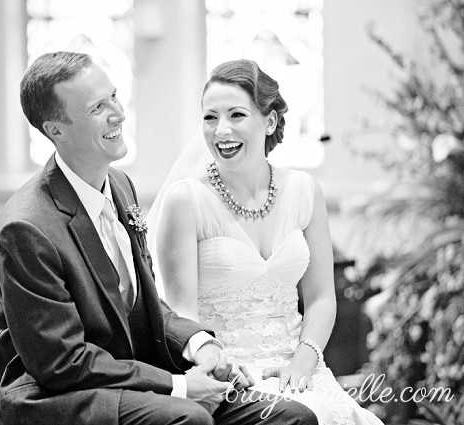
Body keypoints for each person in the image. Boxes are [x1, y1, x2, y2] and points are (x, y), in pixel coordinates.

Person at [0, 51, 318, 425]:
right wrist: (177, 386)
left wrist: (201, 345)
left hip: (133, 379)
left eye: (113, 96)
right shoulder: (26, 229)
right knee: (189, 418)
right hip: (58, 397)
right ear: (55, 130)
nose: (118, 113)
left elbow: (146, 305)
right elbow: (62, 364)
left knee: (292, 418)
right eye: (98, 108)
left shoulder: (120, 187)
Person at [148, 59, 383, 425]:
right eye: (210, 118)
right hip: (230, 377)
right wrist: (220, 364)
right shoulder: (187, 201)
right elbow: (181, 314)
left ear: (269, 121)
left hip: (300, 367)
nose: (221, 130)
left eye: (236, 115)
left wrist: (305, 358)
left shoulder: (304, 191)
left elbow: (321, 297)